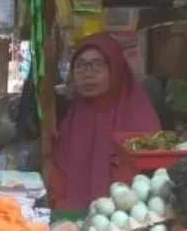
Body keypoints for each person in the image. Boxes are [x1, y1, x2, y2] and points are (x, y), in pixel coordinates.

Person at [51, 33, 160, 210]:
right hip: (72, 224)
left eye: (98, 65)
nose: (88, 75)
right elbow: (59, 177)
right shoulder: (72, 120)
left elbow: (150, 184)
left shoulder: (141, 118)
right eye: (81, 66)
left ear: (116, 70)